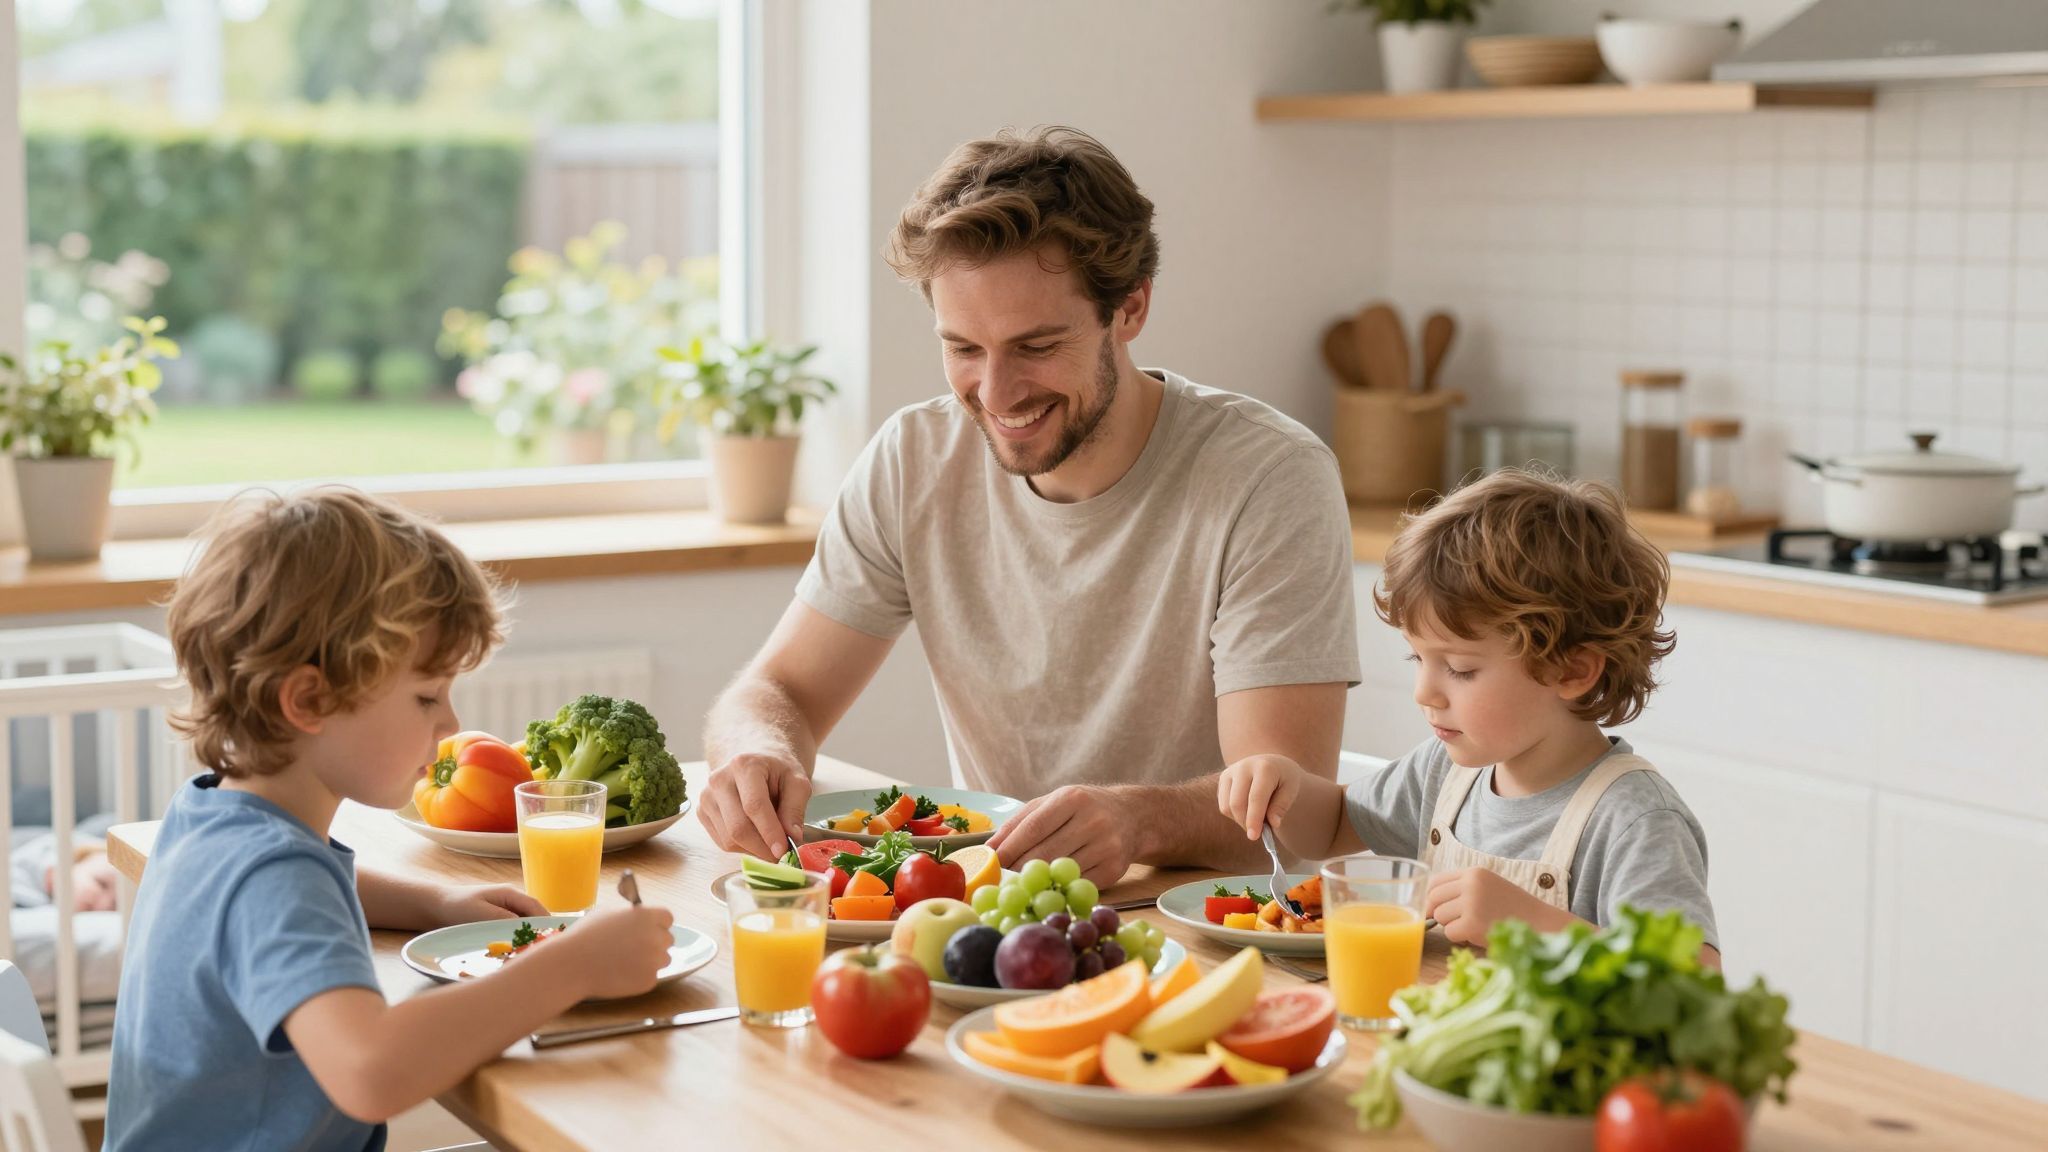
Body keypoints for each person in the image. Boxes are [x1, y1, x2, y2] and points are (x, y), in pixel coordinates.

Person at [700, 126, 1359, 885]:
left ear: (1131, 309)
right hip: (994, 924)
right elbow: (775, 691)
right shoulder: (914, 459)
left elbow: (1287, 807)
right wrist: (759, 749)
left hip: (1213, 932)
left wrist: (1135, 820)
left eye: (1037, 346)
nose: (996, 392)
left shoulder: (1267, 478)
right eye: (964, 349)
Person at [106, 488, 675, 1152]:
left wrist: (436, 902)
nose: (451, 724)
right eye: (427, 696)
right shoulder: (274, 875)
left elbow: (307, 895)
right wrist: (574, 966)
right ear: (310, 699)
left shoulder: (213, 816)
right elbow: (371, 1071)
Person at [1219, 470, 1720, 961]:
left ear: (1572, 670)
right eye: (1419, 659)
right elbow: (1329, 830)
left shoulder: (1635, 819)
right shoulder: (1444, 771)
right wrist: (1284, 785)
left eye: (1459, 669)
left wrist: (1534, 925)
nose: (1425, 693)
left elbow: (1694, 984)